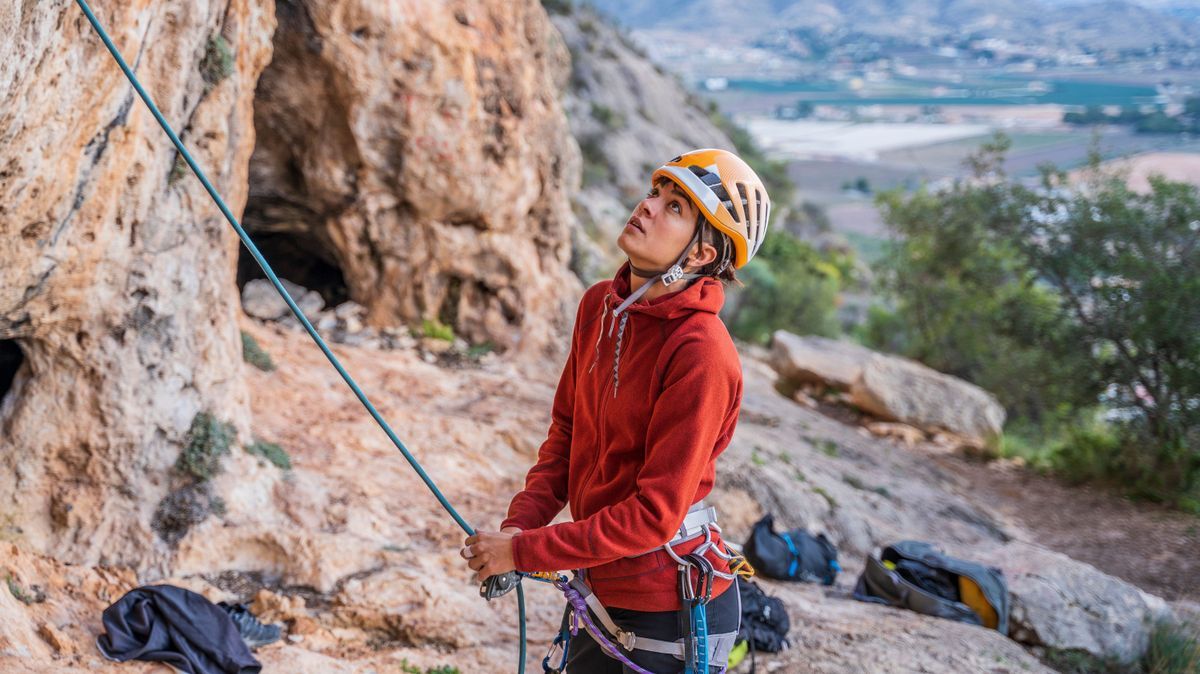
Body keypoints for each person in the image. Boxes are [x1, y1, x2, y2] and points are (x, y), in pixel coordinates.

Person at [461, 148, 772, 672]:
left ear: (699, 255)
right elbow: (567, 434)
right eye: (656, 193)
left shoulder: (701, 351)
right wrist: (519, 528)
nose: (648, 207)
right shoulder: (600, 305)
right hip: (602, 591)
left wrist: (526, 553)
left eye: (676, 208)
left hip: (668, 612)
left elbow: (653, 515)